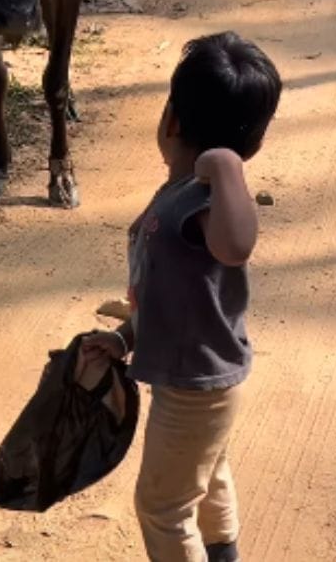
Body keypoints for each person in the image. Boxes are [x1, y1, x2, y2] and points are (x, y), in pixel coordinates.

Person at [83, 31, 282, 562]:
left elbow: (237, 246)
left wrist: (225, 167)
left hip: (197, 390)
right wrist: (124, 338)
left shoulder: (209, 203)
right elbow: (172, 297)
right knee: (209, 474)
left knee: (163, 506)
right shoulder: (179, 195)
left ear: (170, 119)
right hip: (194, 379)